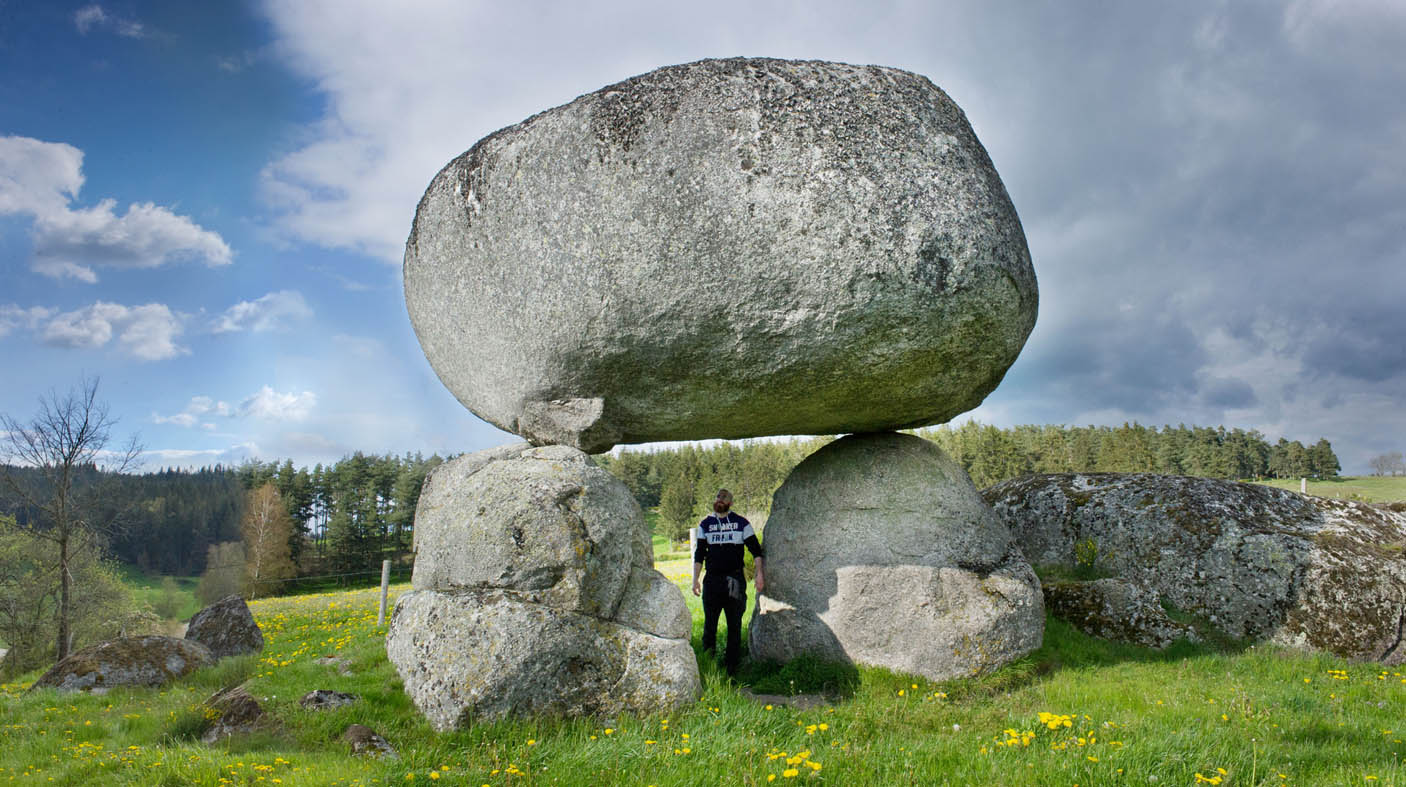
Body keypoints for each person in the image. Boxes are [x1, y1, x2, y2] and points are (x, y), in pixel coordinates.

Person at [691, 488, 765, 673]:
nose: (720, 501)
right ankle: (708, 665)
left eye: (724, 499)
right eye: (718, 497)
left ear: (730, 503)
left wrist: (759, 574)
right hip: (712, 580)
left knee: (734, 624)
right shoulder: (705, 525)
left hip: (735, 580)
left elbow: (756, 550)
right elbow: (699, 554)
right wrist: (695, 579)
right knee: (710, 625)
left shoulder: (741, 523)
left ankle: (733, 667)